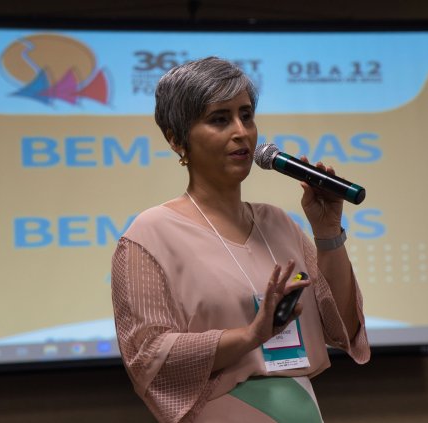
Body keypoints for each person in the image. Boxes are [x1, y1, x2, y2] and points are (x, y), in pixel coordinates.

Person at [111, 56, 370, 422]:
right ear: (176, 139)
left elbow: (342, 328)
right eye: (220, 119)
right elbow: (148, 356)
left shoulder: (278, 223)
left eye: (246, 116)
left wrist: (328, 233)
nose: (241, 131)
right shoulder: (149, 234)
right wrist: (250, 335)